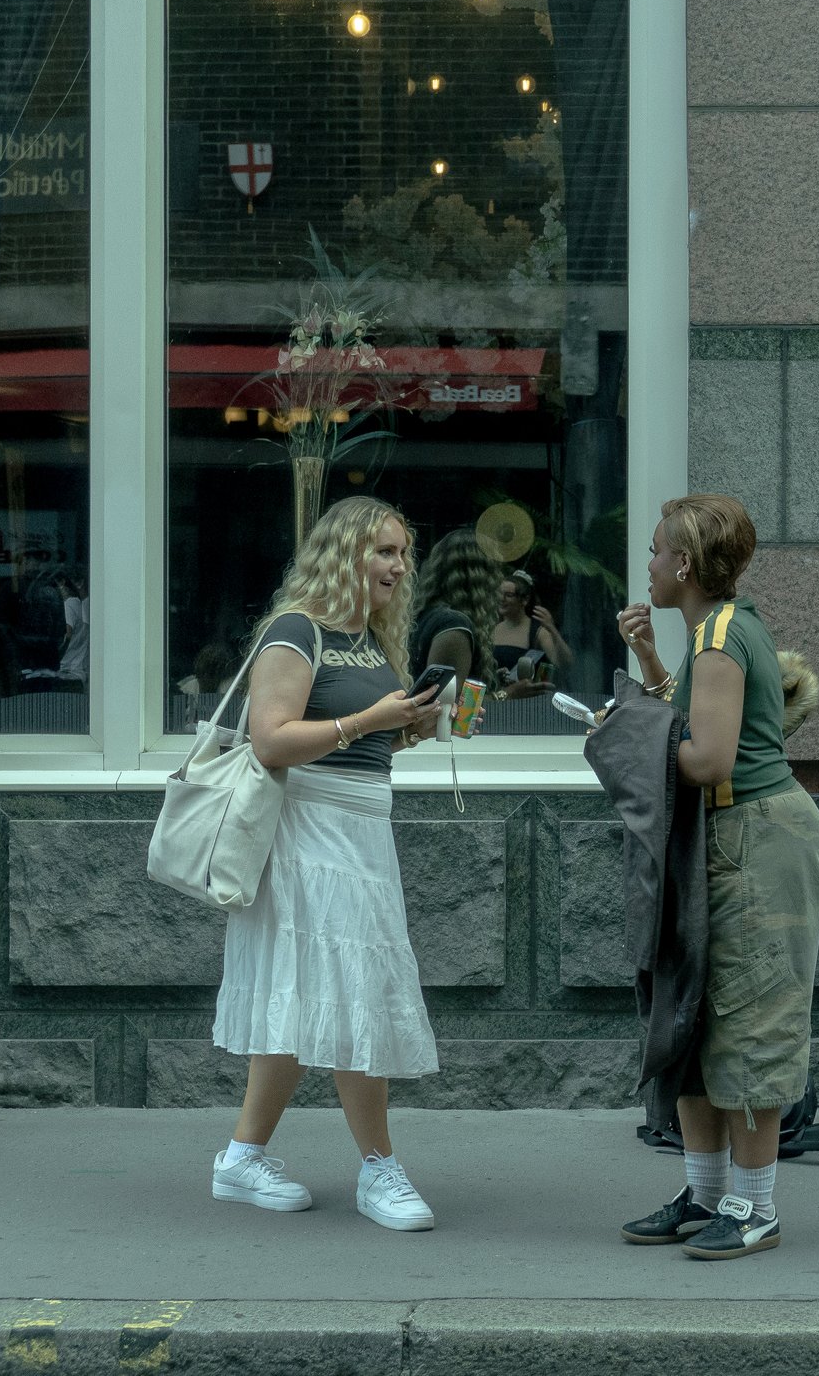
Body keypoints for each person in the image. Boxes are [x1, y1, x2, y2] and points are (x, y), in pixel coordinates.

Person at [208, 496, 459, 1232]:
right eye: (383, 550)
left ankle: (241, 1157)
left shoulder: (373, 639)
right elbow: (271, 740)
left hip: (360, 834)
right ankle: (380, 1166)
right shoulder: (296, 631)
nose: (397, 565)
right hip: (305, 832)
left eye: (402, 554)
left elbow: (365, 745)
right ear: (345, 554)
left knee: (310, 991)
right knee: (352, 991)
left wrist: (408, 726)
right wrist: (367, 720)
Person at [615, 493, 819, 1261]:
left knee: (752, 1015)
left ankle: (754, 1206)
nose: (647, 564)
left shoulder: (720, 635)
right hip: (734, 835)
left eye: (654, 550)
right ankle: (705, 1193)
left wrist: (624, 734)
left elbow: (706, 757)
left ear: (683, 562)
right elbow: (699, 720)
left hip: (757, 839)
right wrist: (647, 669)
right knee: (700, 1017)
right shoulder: (717, 631)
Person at [411, 528, 504, 694]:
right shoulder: (453, 625)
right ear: (483, 576)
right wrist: (509, 695)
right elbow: (446, 705)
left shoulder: (426, 615)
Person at [491, 569, 574, 692]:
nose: (501, 599)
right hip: (496, 697)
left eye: (508, 595)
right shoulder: (493, 628)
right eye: (499, 594)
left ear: (524, 600)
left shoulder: (537, 632)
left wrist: (552, 629)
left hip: (526, 702)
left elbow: (565, 663)